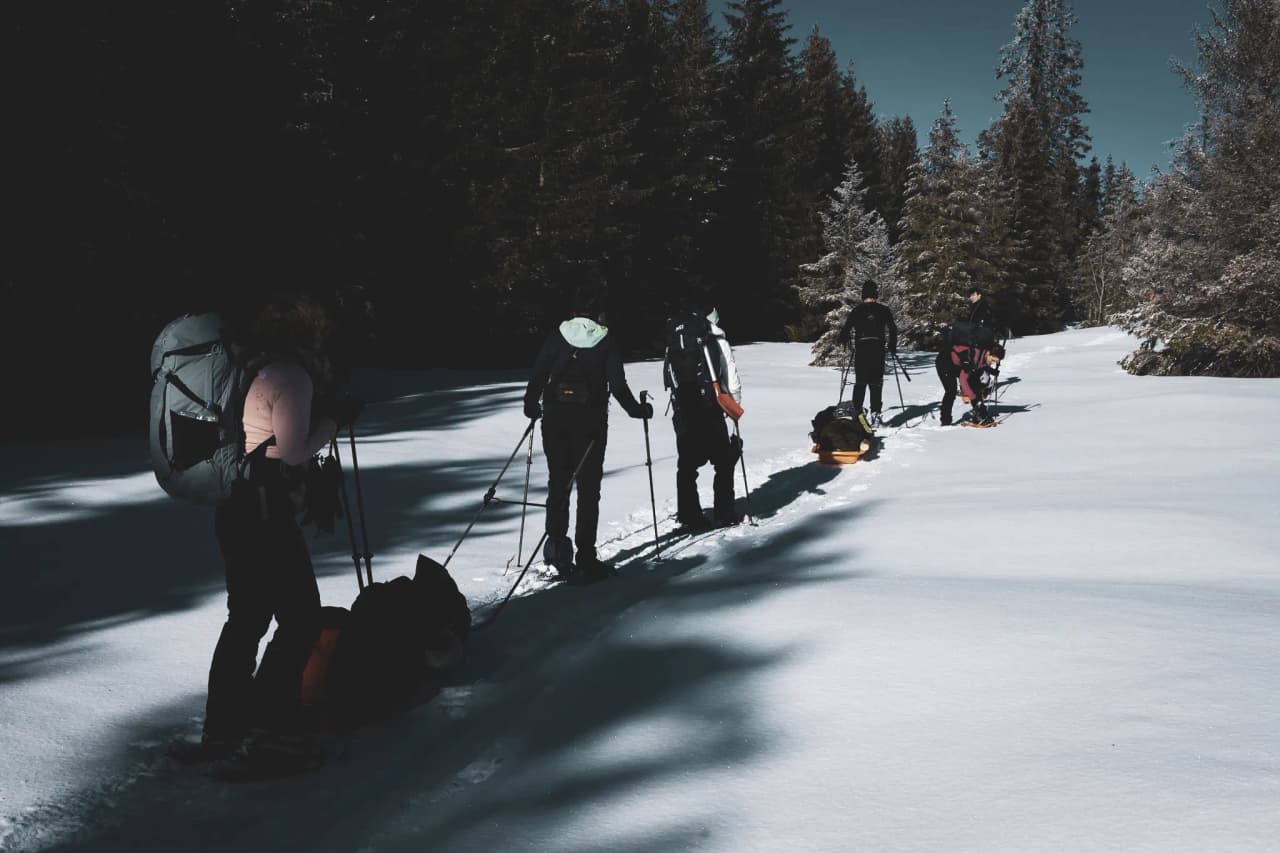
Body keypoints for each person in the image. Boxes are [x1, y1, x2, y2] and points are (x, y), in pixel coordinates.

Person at [197, 298, 359, 759]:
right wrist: (334, 420)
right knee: (301, 616)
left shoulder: (252, 366)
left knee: (247, 618)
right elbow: (293, 451)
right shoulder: (291, 376)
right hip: (264, 507)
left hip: (236, 505)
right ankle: (270, 724)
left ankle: (224, 728)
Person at [523, 295, 652, 582]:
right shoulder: (605, 341)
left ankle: (556, 551)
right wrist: (638, 411)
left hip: (555, 420)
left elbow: (538, 374)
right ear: (598, 314)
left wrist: (531, 404)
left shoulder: (558, 336)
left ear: (573, 312)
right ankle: (585, 559)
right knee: (588, 489)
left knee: (558, 482)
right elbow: (618, 386)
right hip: (590, 424)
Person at [663, 306, 743, 531]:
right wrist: (734, 410)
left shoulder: (676, 340)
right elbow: (732, 379)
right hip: (711, 407)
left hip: (685, 408)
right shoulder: (716, 340)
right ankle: (725, 512)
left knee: (687, 466)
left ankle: (689, 515)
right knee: (723, 462)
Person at [837, 279, 898, 426]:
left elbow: (845, 330)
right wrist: (892, 345)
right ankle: (875, 414)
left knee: (860, 382)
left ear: (863, 295)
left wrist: (845, 340)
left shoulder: (857, 310)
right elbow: (893, 328)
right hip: (878, 349)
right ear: (876, 294)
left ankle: (857, 413)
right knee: (876, 383)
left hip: (862, 349)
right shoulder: (883, 310)